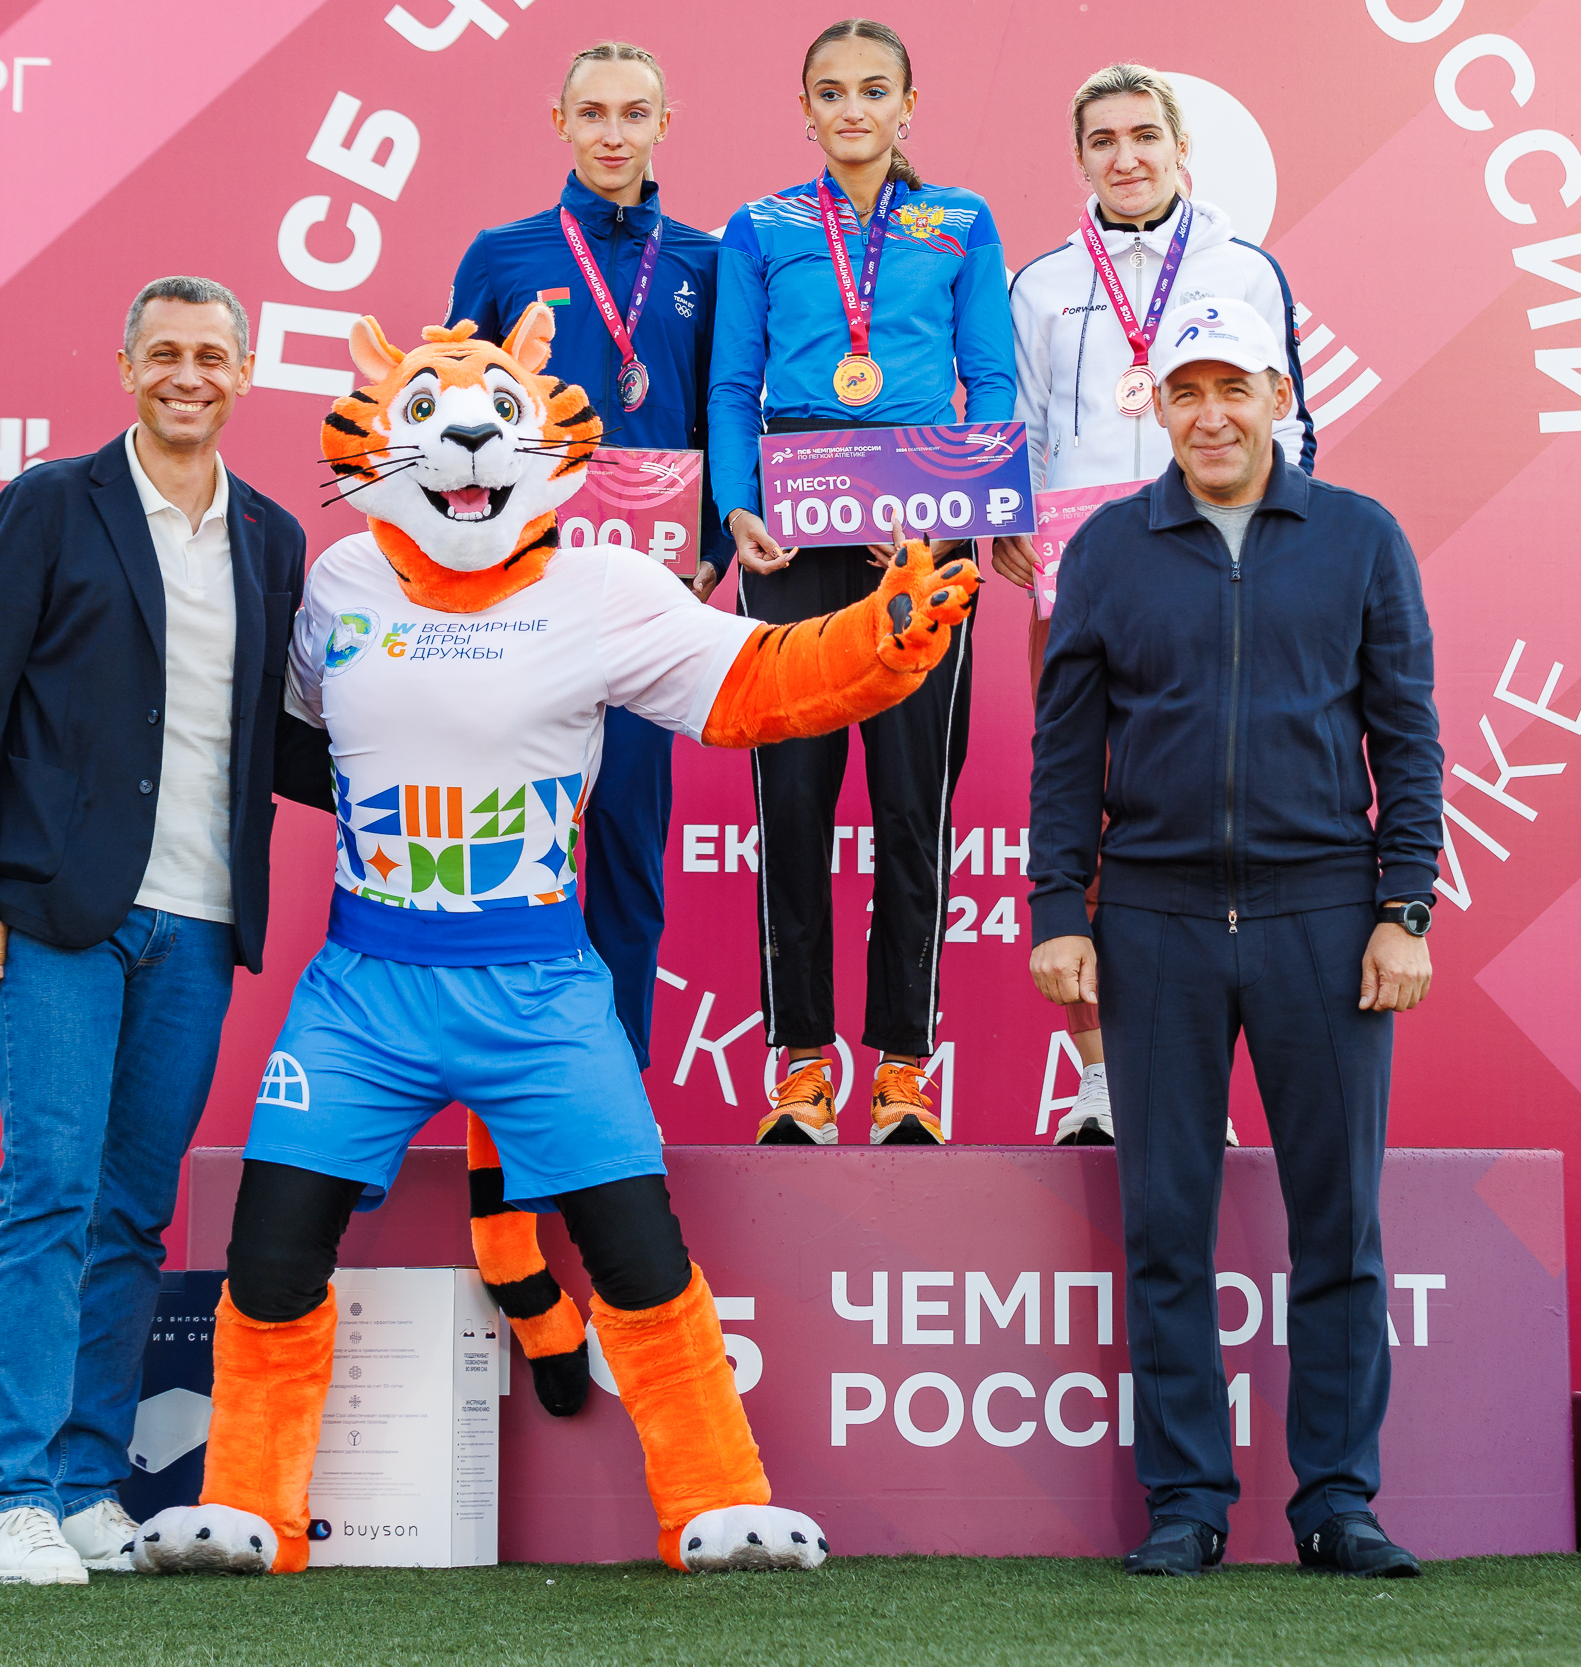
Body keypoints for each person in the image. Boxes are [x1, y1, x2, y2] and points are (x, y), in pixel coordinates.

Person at [130, 307, 979, 1579]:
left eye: (492, 422)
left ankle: (714, 1500)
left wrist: (883, 635)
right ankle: (250, 1504)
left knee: (637, 1250)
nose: (466, 443)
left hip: (536, 984)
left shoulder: (606, 586)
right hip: (364, 988)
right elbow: (296, 731)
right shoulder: (342, 580)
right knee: (269, 1245)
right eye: (429, 421)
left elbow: (758, 681)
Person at [1025, 295, 1442, 1580]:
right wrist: (1058, 908)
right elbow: (1066, 744)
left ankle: (1337, 1502)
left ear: (1279, 399)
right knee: (1164, 1221)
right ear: (1159, 404)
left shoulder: (1361, 537)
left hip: (1326, 914)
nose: (1212, 415)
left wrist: (1403, 905)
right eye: (1187, 391)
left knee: (1339, 1223)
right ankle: (1188, 1502)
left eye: (1235, 390)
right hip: (1152, 920)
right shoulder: (1106, 547)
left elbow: (1408, 731)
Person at [0, 276, 329, 1586]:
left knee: (134, 1214)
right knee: (45, 1194)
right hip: (57, 910)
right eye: (165, 353)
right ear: (125, 366)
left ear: (248, 371)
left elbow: (275, 740)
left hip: (202, 922)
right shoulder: (52, 505)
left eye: (213, 355)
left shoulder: (272, 539)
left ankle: (92, 1484)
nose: (189, 374)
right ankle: (14, 1502)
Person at [707, 18, 1016, 1146]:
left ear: (908, 105)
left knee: (910, 805)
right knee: (787, 803)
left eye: (872, 89)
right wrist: (737, 504)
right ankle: (797, 1065)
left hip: (922, 535)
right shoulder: (762, 226)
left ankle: (903, 1067)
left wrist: (949, 505)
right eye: (829, 91)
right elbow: (733, 383)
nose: (851, 109)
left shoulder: (962, 221)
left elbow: (988, 380)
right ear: (804, 110)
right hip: (794, 532)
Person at [998, 64, 1311, 1145]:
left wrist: (1271, 556)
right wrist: (1012, 525)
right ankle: (1100, 1079)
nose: (1124, 157)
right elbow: (1023, 434)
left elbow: (1293, 428)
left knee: (1202, 812)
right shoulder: (1038, 284)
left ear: (1182, 149)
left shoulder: (1243, 269)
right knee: (1081, 812)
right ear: (1078, 157)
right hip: (1084, 581)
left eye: (1143, 136)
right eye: (1101, 141)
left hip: (1217, 571)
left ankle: (1193, 1087)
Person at [448, 39, 729, 1072]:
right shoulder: (503, 253)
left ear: (665, 123)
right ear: (560, 123)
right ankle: (514, 1090)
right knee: (511, 850)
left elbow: (723, 418)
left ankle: (615, 1099)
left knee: (624, 848)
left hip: (651, 603)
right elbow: (451, 423)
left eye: (635, 113)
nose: (614, 133)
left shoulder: (705, 260)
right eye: (595, 113)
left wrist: (706, 561)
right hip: (522, 599)